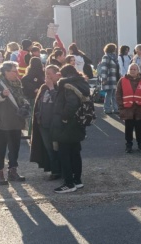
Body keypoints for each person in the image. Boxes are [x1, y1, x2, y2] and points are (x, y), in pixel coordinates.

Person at [0, 61, 30, 185]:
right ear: (6, 72)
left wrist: (25, 103)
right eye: (14, 71)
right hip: (1, 122)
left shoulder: (17, 83)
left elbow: (19, 98)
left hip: (15, 121)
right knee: (0, 149)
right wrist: (1, 95)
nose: (17, 73)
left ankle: (12, 171)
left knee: (15, 148)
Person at [52, 65, 90, 193]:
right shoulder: (82, 83)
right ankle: (77, 180)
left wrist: (64, 117)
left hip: (68, 124)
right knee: (75, 152)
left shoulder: (66, 84)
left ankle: (69, 183)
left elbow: (71, 103)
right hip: (79, 121)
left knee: (64, 153)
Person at [30, 65, 62, 180]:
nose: (47, 77)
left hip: (56, 125)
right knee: (49, 149)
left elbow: (59, 103)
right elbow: (38, 104)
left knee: (58, 148)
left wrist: (52, 87)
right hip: (43, 124)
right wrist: (38, 116)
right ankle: (54, 170)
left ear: (57, 75)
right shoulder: (43, 88)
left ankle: (60, 170)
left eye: (50, 74)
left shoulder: (61, 87)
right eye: (46, 74)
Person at [116, 63, 141, 153]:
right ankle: (128, 145)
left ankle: (140, 144)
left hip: (139, 109)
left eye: (134, 69)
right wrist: (121, 106)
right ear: (128, 70)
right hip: (127, 109)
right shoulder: (122, 80)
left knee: (139, 129)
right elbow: (118, 94)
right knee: (128, 128)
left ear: (138, 71)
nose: (133, 71)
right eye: (131, 69)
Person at [22, 57, 45, 137]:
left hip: (30, 95)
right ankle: (33, 131)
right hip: (38, 96)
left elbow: (24, 80)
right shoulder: (41, 73)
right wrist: (36, 88)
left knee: (31, 113)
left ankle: (30, 131)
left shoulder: (29, 72)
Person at [98, 43, 120, 114]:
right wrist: (104, 79)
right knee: (109, 94)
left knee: (113, 94)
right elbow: (103, 68)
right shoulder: (106, 57)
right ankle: (107, 108)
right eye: (114, 49)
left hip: (114, 78)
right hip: (109, 78)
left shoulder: (114, 57)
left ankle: (115, 108)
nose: (115, 50)